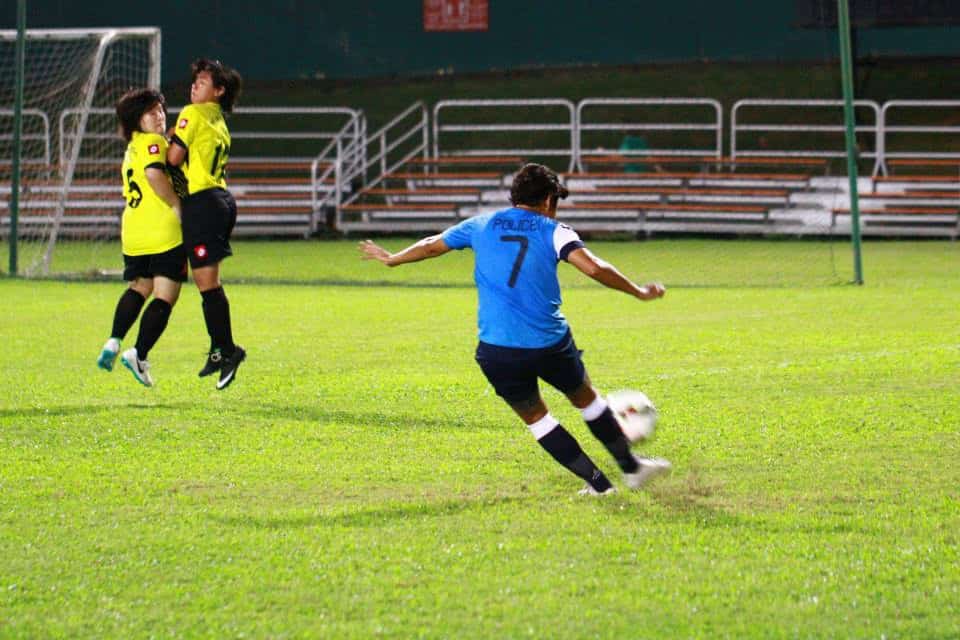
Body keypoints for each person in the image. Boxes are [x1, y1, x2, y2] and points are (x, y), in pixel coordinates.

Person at [359, 163, 671, 495]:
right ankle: (631, 468)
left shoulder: (481, 224)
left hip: (497, 350)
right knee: (587, 401)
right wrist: (638, 291)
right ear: (549, 199)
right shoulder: (555, 231)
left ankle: (598, 486)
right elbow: (593, 267)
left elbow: (432, 244)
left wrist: (392, 258)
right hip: (550, 344)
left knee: (538, 420)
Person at [97, 88, 186, 388]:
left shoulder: (132, 146)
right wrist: (177, 203)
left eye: (160, 109)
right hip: (162, 230)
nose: (159, 115)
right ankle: (139, 354)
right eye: (151, 112)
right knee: (166, 295)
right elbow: (153, 174)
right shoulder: (151, 143)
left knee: (140, 286)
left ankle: (113, 340)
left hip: (134, 232)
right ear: (137, 119)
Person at [166, 58, 246, 390]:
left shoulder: (192, 113)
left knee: (207, 283)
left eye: (203, 81)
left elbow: (173, 158)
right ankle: (218, 350)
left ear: (219, 89)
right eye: (194, 80)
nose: (195, 85)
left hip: (204, 202)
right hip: (222, 201)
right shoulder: (219, 120)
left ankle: (227, 350)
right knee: (203, 280)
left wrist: (165, 140)